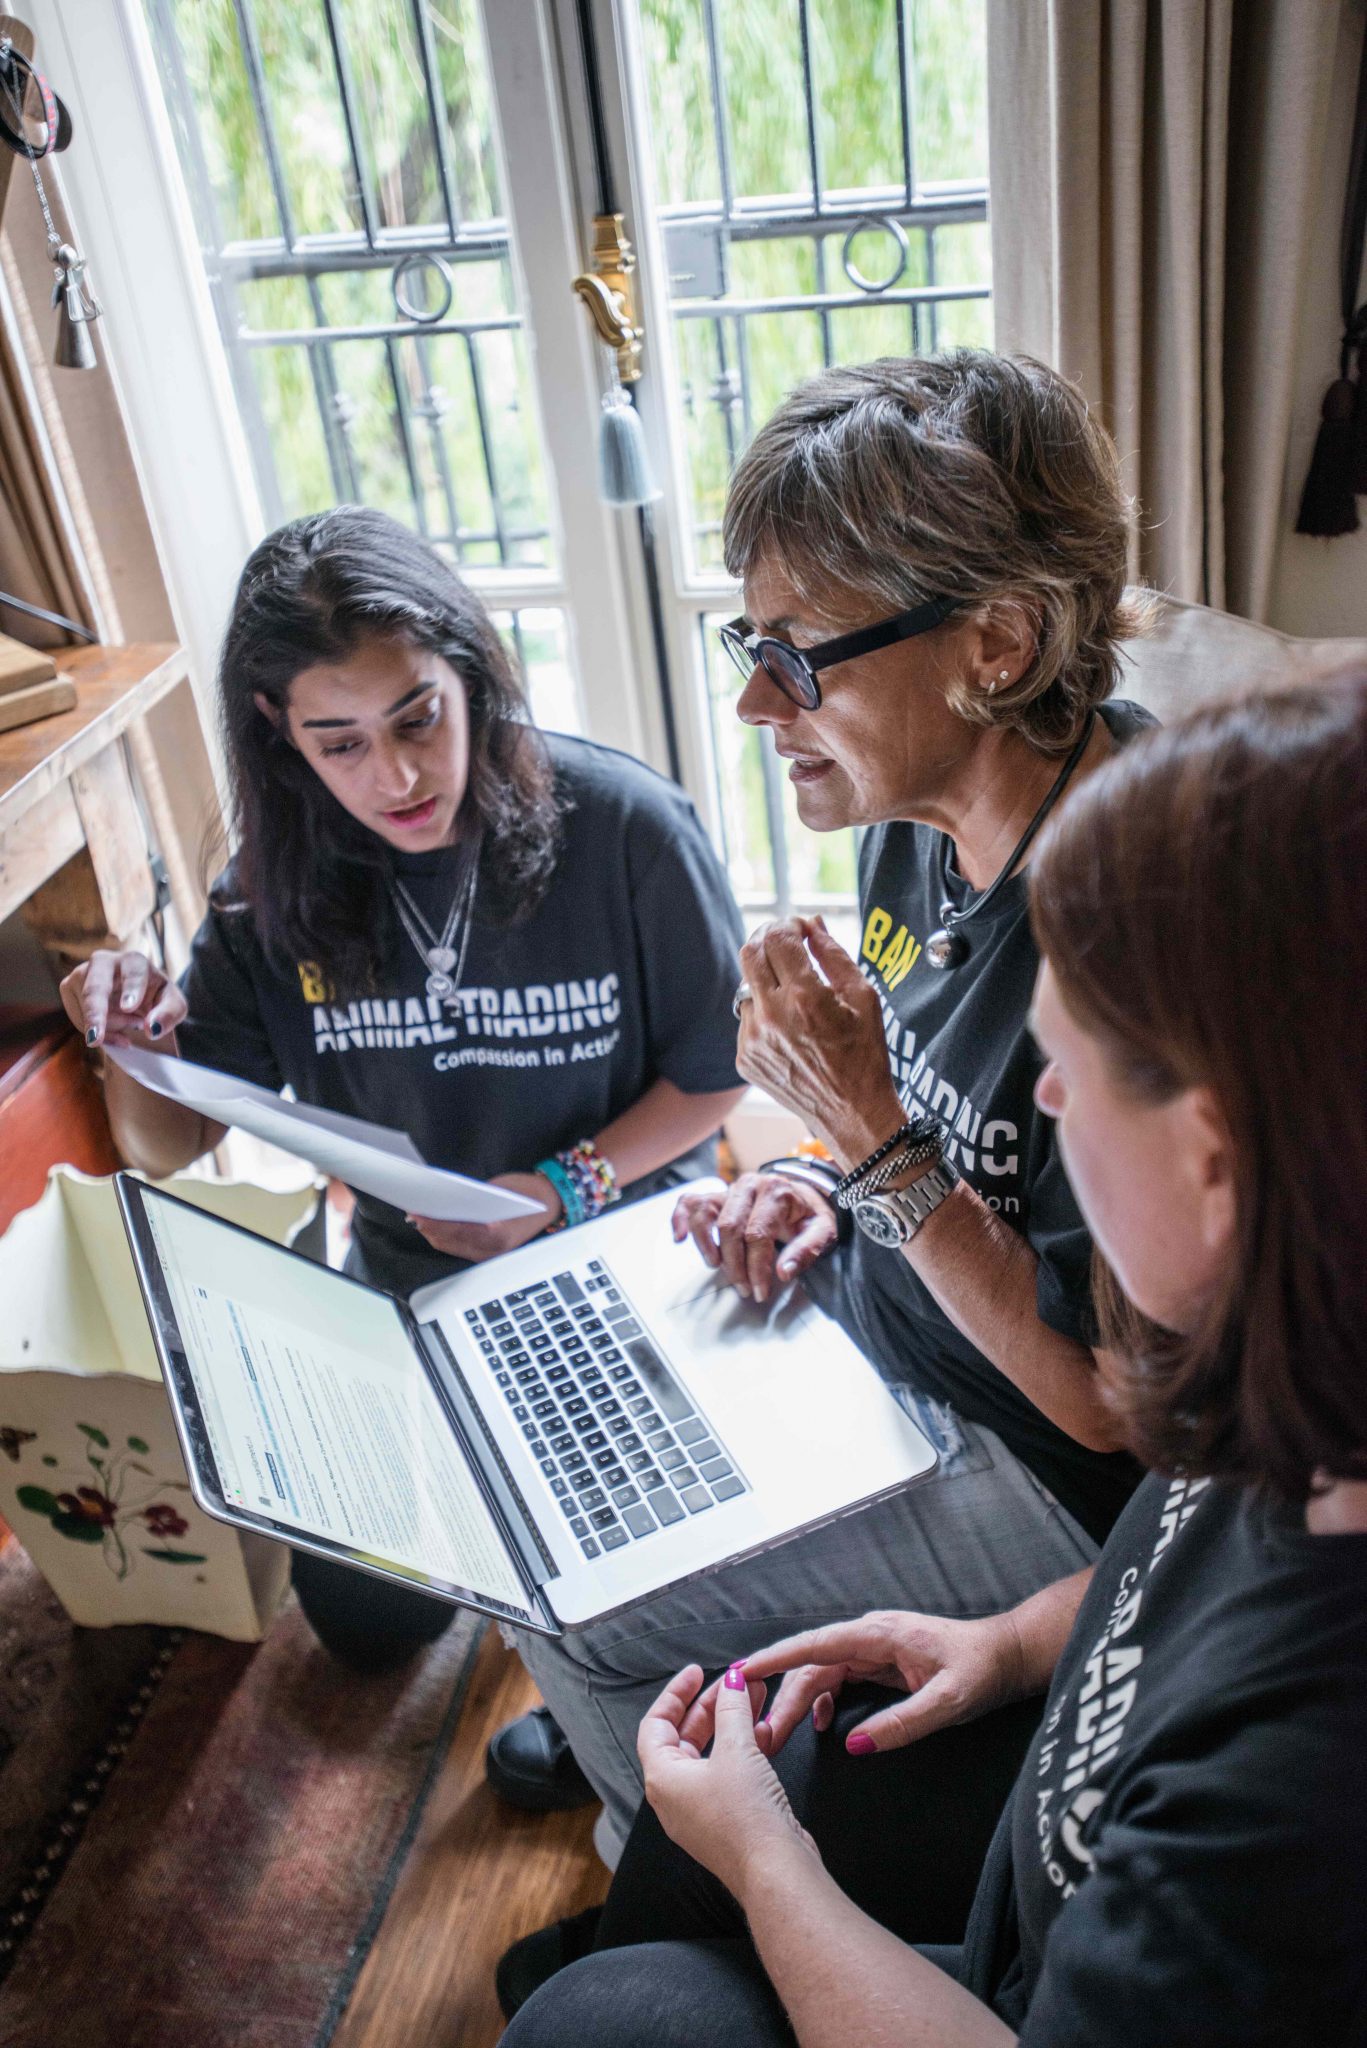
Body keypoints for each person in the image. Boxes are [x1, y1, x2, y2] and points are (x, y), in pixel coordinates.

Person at [501, 672, 1367, 2048]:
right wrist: (1008, 1641)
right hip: (1042, 1800)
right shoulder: (1293, 1362)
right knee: (698, 1833)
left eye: (1066, 1070)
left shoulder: (1288, 1805)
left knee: (590, 2017)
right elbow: (1177, 1565)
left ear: (1211, 1159)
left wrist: (769, 1872)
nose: (1042, 1096)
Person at [509, 351, 1154, 1853]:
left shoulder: (1141, 913)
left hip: (1039, 1468)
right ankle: (681, 1776)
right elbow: (934, 1120)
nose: (752, 700)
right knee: (544, 1459)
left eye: (798, 657)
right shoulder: (911, 819)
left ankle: (683, 1892)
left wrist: (864, 1134)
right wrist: (816, 1172)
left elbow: (1106, 1405)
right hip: (880, 1324)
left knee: (566, 1600)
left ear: (995, 644)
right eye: (752, 641)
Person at [59, 506, 746, 1718]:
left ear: (468, 673)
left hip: (614, 1240)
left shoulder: (623, 828)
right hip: (405, 1282)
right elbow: (161, 1144)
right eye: (340, 743)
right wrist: (130, 1045)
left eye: (418, 717)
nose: (397, 777)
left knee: (632, 1566)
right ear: (279, 731)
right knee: (367, 1626)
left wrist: (559, 1190)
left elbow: (717, 1074)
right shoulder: (272, 886)